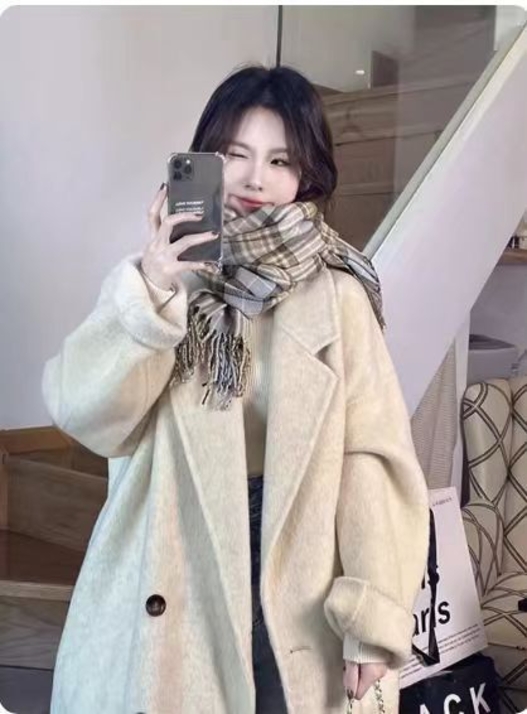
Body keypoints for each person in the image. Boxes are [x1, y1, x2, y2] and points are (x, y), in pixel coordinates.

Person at [42, 64, 429, 714]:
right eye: (233, 153)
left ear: (307, 174)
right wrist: (152, 291)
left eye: (280, 160)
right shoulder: (164, 281)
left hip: (297, 566)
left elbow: (371, 457)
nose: (254, 179)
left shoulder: (338, 294)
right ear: (203, 160)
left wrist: (373, 610)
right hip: (176, 555)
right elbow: (89, 417)